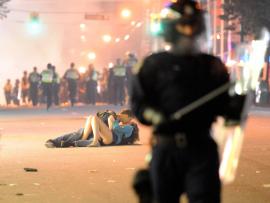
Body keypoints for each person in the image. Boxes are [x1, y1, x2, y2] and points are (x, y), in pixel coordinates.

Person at [131, 1, 246, 203]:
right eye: (185, 26)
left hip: (201, 149)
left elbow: (225, 110)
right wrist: (155, 115)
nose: (190, 32)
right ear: (171, 30)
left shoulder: (212, 66)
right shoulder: (152, 65)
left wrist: (236, 107)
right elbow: (140, 106)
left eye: (194, 26)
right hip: (166, 149)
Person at [45, 109, 139, 148]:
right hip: (103, 136)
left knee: (94, 118)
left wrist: (112, 119)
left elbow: (114, 129)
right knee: (89, 120)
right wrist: (109, 117)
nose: (129, 121)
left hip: (111, 139)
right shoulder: (118, 120)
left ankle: (94, 141)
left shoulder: (130, 128)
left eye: (130, 120)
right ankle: (55, 142)